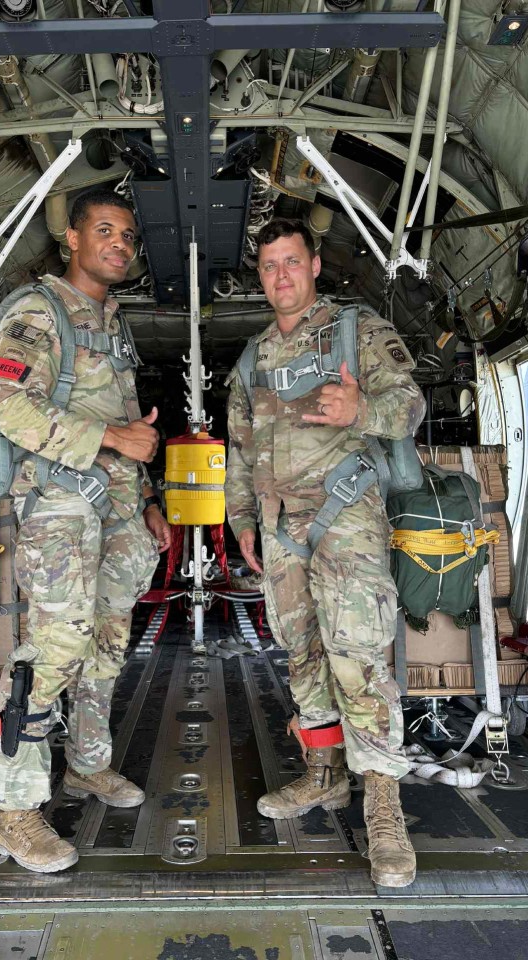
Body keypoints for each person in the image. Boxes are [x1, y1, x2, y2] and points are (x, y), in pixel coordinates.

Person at [225, 218, 426, 888]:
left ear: (314, 265)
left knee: (359, 659)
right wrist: (243, 520)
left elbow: (409, 404)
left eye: (291, 262)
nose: (281, 277)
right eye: (268, 267)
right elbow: (239, 448)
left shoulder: (353, 330)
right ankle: (324, 776)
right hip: (281, 530)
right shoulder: (253, 358)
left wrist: (360, 407)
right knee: (304, 656)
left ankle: (384, 804)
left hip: (345, 520)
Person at [0, 188, 171, 873]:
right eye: (105, 230)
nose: (120, 243)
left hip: (117, 506)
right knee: (54, 648)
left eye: (127, 235)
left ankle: (87, 765)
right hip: (60, 502)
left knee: (106, 641)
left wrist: (146, 496)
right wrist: (112, 438)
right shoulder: (39, 312)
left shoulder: (112, 321)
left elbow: (133, 424)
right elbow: (15, 413)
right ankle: (15, 811)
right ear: (72, 238)